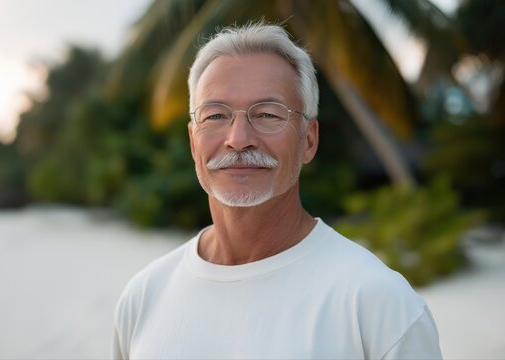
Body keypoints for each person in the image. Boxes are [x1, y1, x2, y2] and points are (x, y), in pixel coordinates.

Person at [112, 22, 442, 359]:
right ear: (193, 140)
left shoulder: (379, 305)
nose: (239, 139)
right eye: (215, 116)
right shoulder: (143, 297)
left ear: (309, 140)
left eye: (268, 114)